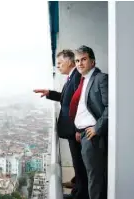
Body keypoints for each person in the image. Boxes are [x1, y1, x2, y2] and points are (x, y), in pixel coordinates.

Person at [34, 49, 88, 199]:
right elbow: (67, 100)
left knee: (79, 163)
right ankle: (78, 188)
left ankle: (81, 194)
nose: (58, 66)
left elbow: (80, 105)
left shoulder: (77, 77)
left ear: (70, 62)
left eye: (59, 63)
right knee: (77, 162)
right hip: (72, 129)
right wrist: (49, 93)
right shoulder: (71, 78)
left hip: (75, 129)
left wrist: (78, 129)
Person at [71, 45, 108, 199]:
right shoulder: (84, 79)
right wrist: (79, 130)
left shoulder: (100, 78)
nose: (80, 63)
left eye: (84, 59)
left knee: (95, 177)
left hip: (93, 135)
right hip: (84, 133)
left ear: (92, 61)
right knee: (91, 174)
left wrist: (97, 128)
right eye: (77, 60)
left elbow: (111, 107)